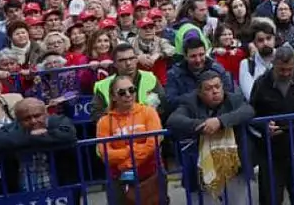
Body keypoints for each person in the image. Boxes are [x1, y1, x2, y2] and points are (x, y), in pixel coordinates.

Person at [166, 70, 255, 204]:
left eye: (218, 87)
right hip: (201, 167)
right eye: (209, 88)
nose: (215, 91)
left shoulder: (233, 99)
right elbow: (174, 120)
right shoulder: (190, 102)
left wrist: (220, 122)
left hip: (233, 166)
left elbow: (248, 111)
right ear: (199, 93)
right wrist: (202, 125)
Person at [249, 45, 294, 205]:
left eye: (290, 69)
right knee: (271, 199)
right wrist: (264, 127)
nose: (286, 73)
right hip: (271, 152)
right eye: (281, 70)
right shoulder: (261, 83)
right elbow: (252, 115)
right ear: (274, 65)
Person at [0, 97, 79, 197]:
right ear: (18, 120)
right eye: (27, 118)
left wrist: (23, 141)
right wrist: (35, 137)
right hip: (23, 194)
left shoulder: (59, 120)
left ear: (46, 113)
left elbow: (68, 136)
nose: (33, 121)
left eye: (37, 116)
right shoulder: (10, 129)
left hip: (60, 189)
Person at [95, 74, 166, 205]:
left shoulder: (149, 112)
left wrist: (127, 163)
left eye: (131, 90)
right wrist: (131, 151)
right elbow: (105, 153)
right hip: (119, 180)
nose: (128, 94)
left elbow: (153, 143)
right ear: (113, 97)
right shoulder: (104, 122)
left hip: (150, 176)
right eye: (122, 92)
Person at [92, 42, 164, 120]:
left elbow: (163, 107)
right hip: (117, 128)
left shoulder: (150, 78)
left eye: (131, 58)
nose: (128, 63)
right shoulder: (103, 85)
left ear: (136, 59)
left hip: (147, 126)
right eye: (122, 60)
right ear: (115, 64)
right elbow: (96, 115)